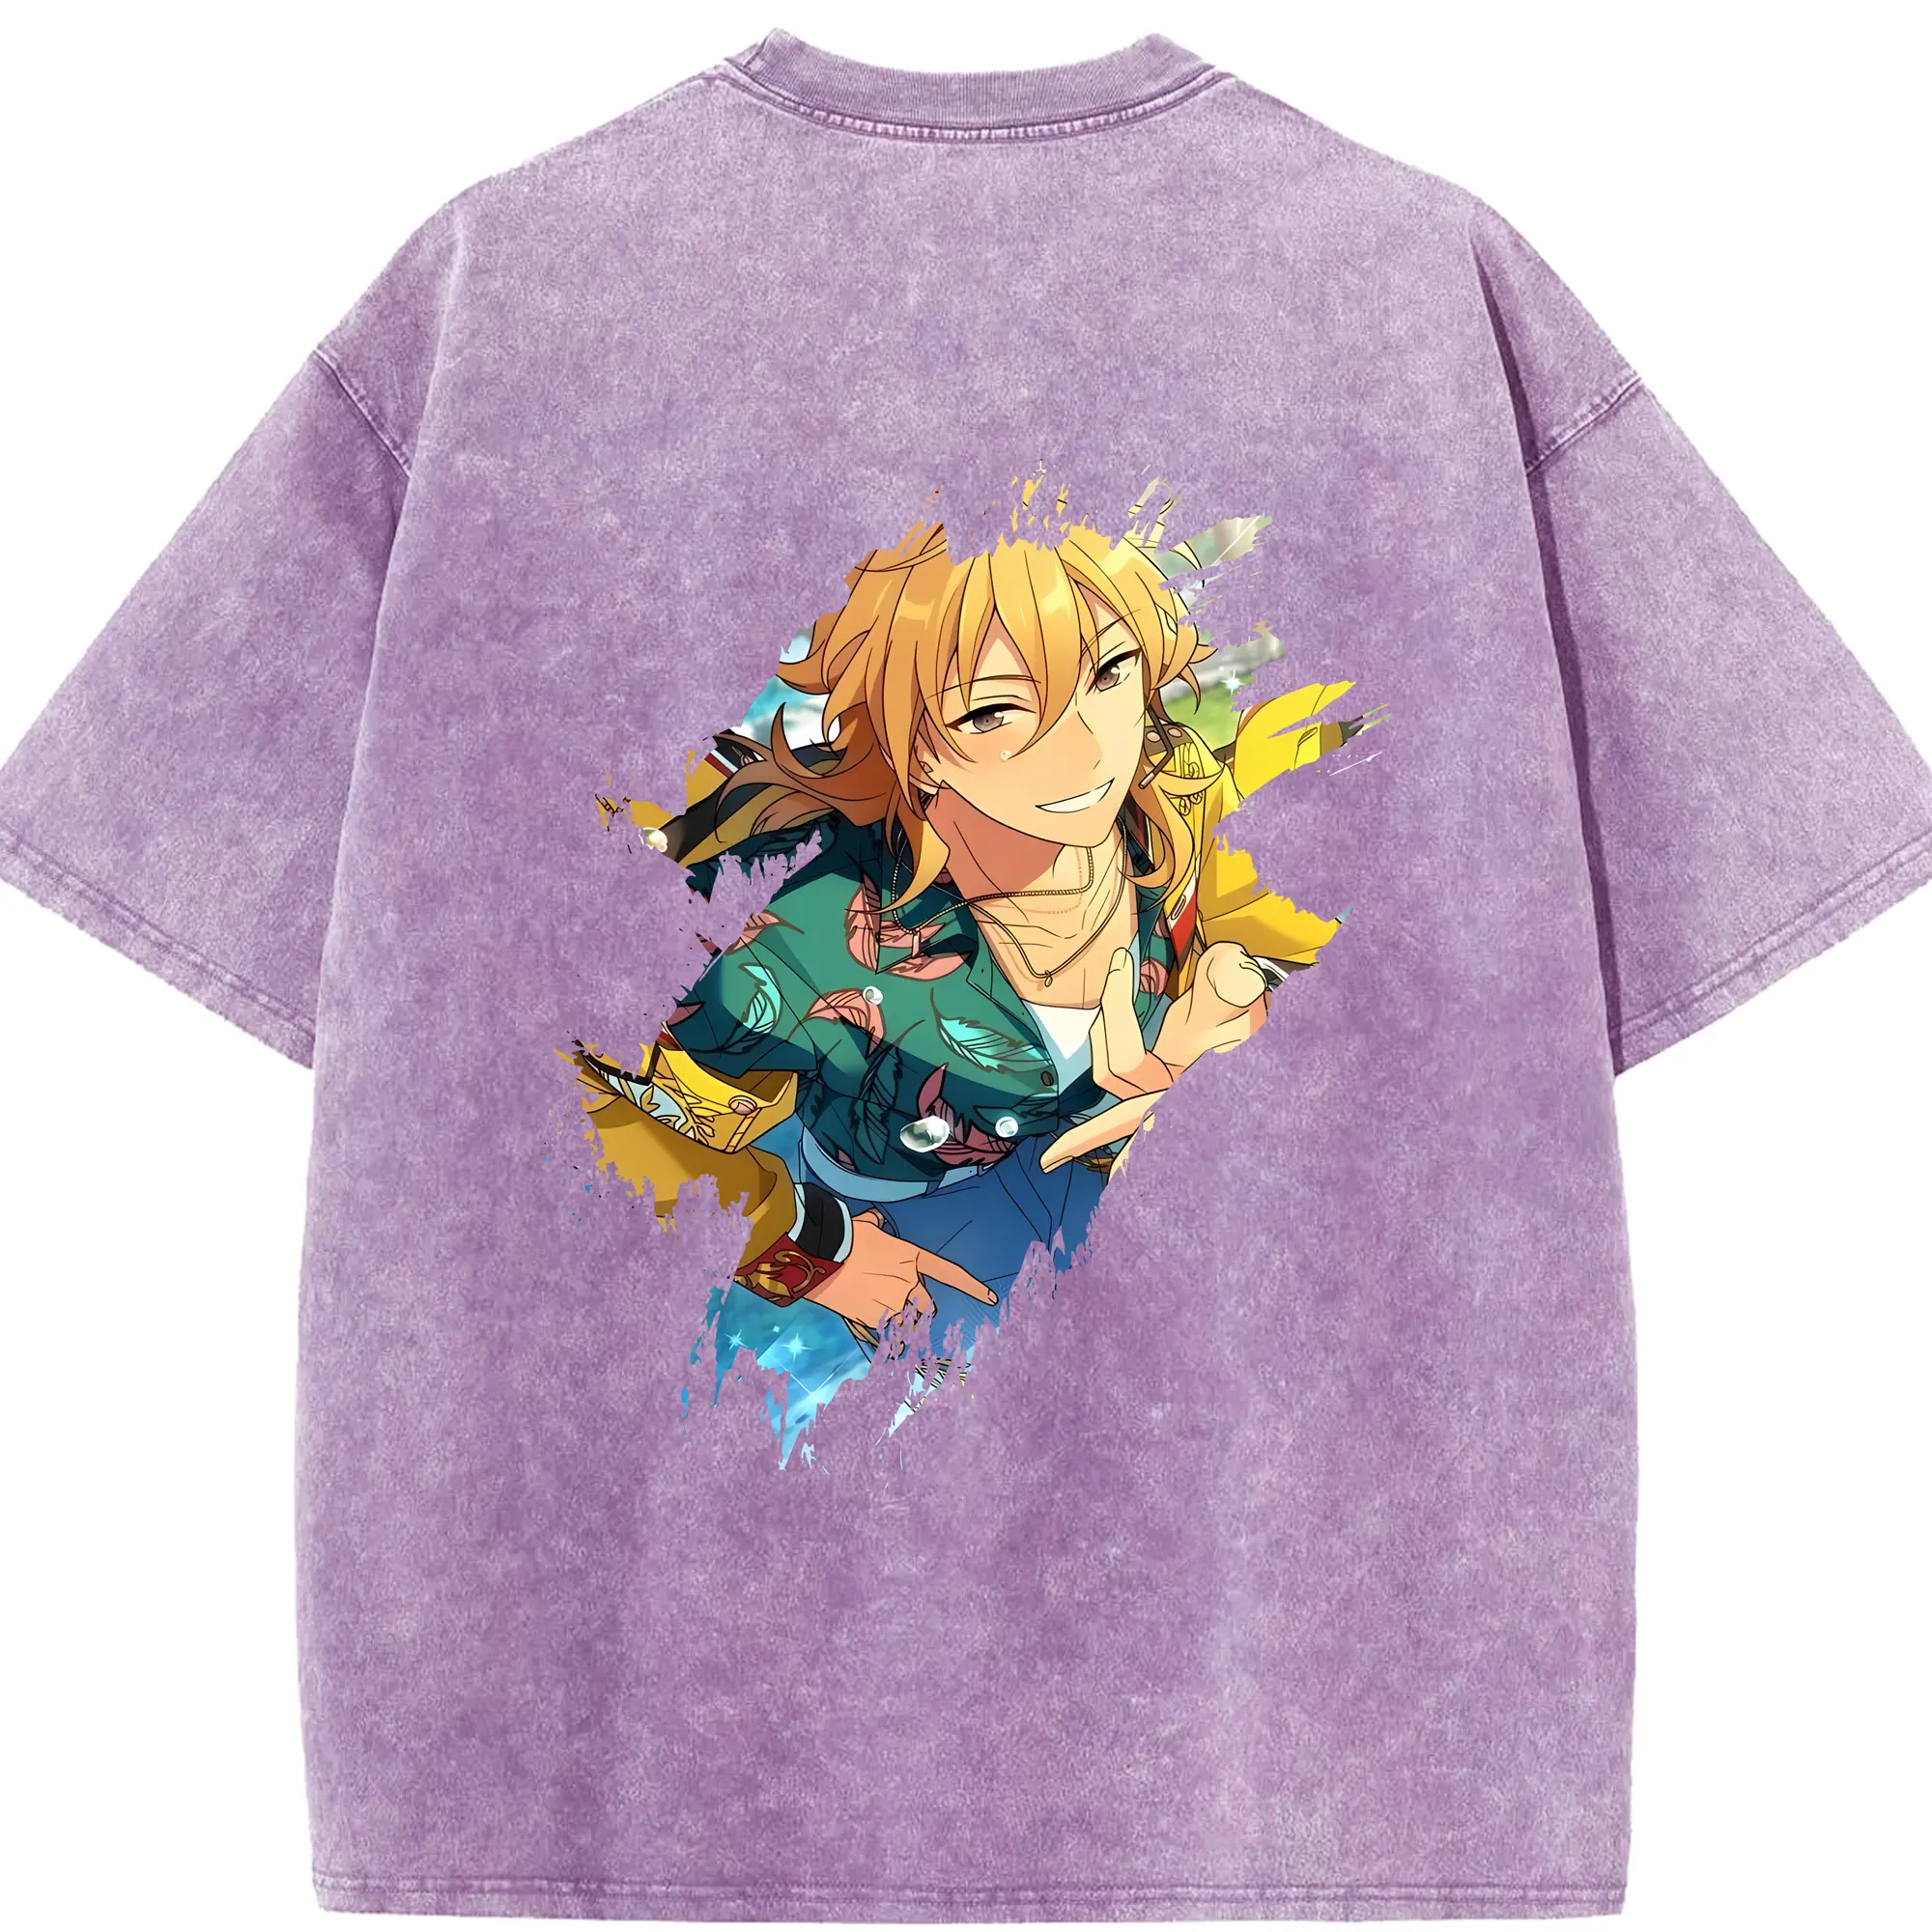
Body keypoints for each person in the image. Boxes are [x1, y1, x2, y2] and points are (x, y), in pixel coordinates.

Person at [567, 496, 1379, 1454]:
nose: (1085, 748)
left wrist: (1222, 1023)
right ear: (916, 747)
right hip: (880, 1241)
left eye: (1108, 673)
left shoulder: (1167, 814)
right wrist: (814, 1256)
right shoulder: (814, 939)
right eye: (995, 712)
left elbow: (1307, 926)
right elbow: (626, 1142)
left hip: (1113, 1257)